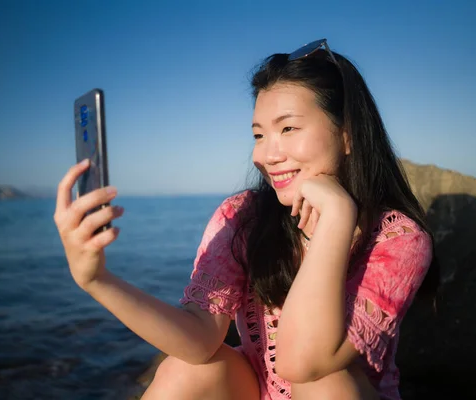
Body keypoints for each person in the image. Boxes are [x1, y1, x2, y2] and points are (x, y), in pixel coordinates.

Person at [53, 39, 438, 400]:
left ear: (348, 136)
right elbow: (200, 338)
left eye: (288, 128)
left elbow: (301, 365)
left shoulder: (399, 240)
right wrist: (97, 279)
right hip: (256, 389)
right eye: (259, 134)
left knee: (324, 385)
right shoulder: (243, 216)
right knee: (184, 371)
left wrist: (337, 218)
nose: (268, 155)